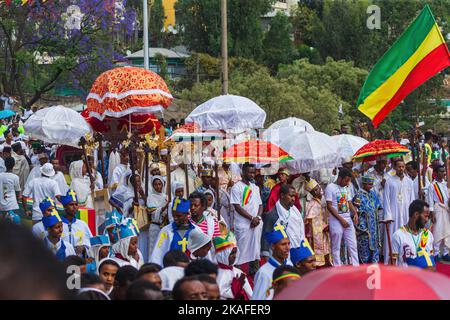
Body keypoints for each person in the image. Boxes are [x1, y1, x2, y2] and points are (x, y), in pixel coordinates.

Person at [0, 221, 70, 299]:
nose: (61, 230)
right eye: (57, 227)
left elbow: (75, 266)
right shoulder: (39, 249)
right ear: (49, 229)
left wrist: (75, 289)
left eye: (61, 226)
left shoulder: (68, 246)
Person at [230, 163, 263, 276]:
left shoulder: (255, 188)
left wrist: (257, 217)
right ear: (243, 172)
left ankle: (254, 273)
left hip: (256, 224)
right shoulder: (236, 187)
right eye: (250, 172)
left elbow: (260, 205)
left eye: (253, 172)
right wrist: (251, 218)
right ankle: (239, 275)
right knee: (241, 251)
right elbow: (237, 206)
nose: (252, 175)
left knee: (255, 251)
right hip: (244, 225)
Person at [325, 168, 359, 266]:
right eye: (346, 180)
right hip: (336, 220)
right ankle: (337, 267)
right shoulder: (330, 187)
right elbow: (329, 206)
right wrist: (341, 220)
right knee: (336, 246)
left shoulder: (346, 188)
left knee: (353, 244)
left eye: (349, 180)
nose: (348, 183)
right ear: (340, 178)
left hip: (347, 219)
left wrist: (355, 213)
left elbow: (349, 203)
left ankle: (356, 266)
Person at [383, 159, 415, 264]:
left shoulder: (409, 181)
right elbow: (386, 199)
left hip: (406, 214)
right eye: (399, 167)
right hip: (393, 214)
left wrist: (412, 214)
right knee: (393, 236)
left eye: (402, 166)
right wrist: (388, 215)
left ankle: (405, 260)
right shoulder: (389, 181)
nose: (401, 168)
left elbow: (412, 199)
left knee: (406, 235)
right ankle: (391, 261)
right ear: (395, 167)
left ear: (404, 167)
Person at [262, 184, 304, 262]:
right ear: (282, 195)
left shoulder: (296, 212)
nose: (293, 199)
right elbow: (265, 236)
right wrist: (266, 256)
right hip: (279, 256)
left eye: (294, 196)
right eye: (291, 196)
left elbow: (301, 230)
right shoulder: (272, 215)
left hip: (296, 251)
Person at [150, 198, 197, 266]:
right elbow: (157, 255)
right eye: (173, 215)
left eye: (178, 216)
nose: (175, 218)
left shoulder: (196, 231)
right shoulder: (165, 231)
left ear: (187, 214)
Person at [392, 200, 435, 270]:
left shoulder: (428, 235)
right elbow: (392, 265)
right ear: (416, 215)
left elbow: (431, 263)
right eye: (425, 216)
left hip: (422, 278)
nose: (427, 220)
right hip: (405, 278)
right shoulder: (398, 235)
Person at [252, 224, 291, 300]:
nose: (287, 248)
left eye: (288, 244)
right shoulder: (263, 273)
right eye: (283, 244)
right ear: (273, 246)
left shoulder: (290, 265)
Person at [214, 230, 252, 300]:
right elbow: (221, 295)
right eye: (231, 253)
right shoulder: (216, 273)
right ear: (223, 254)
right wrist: (237, 285)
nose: (234, 256)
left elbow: (250, 294)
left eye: (235, 252)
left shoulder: (239, 272)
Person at [354, 175, 382, 264]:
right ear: (364, 184)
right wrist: (361, 226)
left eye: (372, 184)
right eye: (369, 184)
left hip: (374, 227)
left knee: (375, 249)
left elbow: (378, 207)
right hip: (364, 228)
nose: (371, 186)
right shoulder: (358, 195)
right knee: (365, 250)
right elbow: (355, 210)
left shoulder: (372, 193)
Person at [304, 179, 330, 267]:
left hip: (323, 234)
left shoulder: (318, 202)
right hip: (317, 235)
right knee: (320, 259)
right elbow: (314, 222)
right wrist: (326, 227)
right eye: (318, 189)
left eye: (319, 187)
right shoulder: (313, 204)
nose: (321, 190)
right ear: (314, 192)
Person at [60, 189, 93, 258]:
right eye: (71, 204)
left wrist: (84, 248)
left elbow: (91, 243)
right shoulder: (58, 224)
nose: (74, 207)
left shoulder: (82, 224)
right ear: (65, 207)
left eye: (76, 204)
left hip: (78, 260)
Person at [428, 165, 450, 261]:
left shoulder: (446, 184)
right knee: (438, 231)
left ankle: (445, 252)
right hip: (438, 209)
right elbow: (430, 201)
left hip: (446, 210)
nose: (443, 173)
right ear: (435, 173)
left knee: (447, 232)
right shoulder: (432, 186)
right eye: (441, 171)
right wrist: (432, 214)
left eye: (444, 171)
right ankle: (436, 253)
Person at [147, 175, 169, 260]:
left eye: (160, 184)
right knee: (153, 247)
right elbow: (151, 210)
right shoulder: (151, 197)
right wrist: (164, 207)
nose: (158, 186)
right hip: (155, 226)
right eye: (155, 184)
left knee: (163, 247)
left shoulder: (166, 197)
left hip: (164, 226)